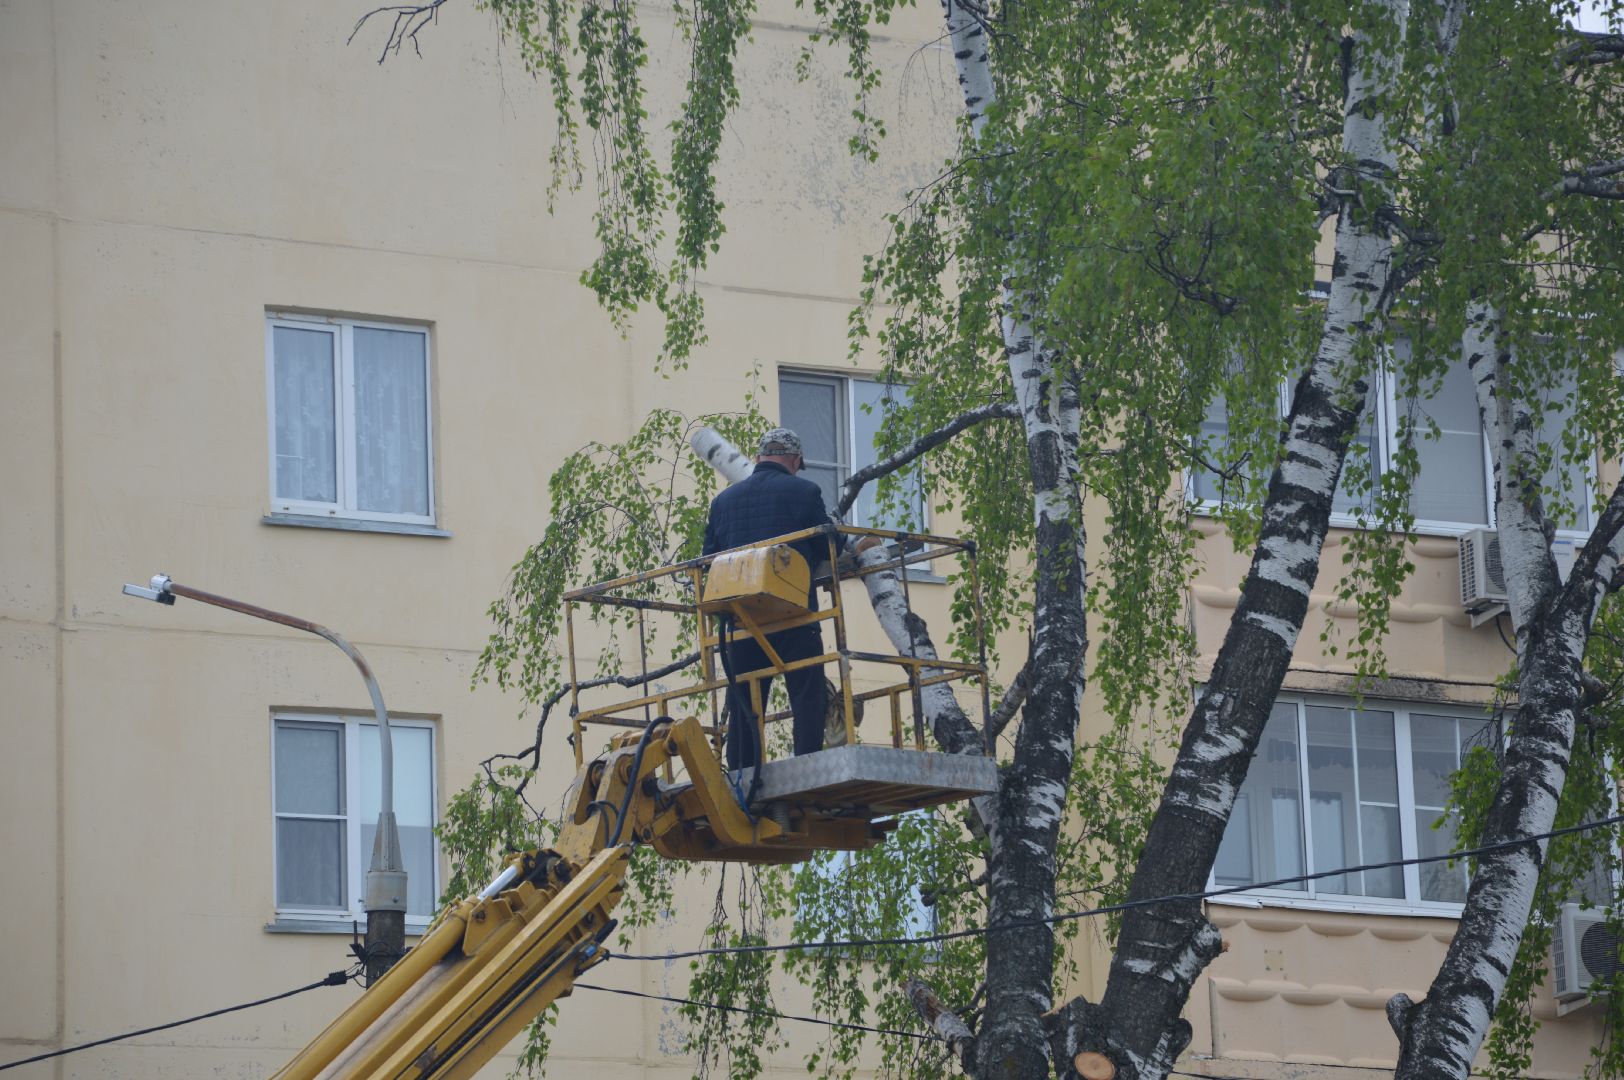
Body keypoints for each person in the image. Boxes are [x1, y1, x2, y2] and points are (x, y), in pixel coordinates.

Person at [702, 427, 878, 770]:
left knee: (745, 704)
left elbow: (708, 560)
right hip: (793, 615)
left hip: (741, 621)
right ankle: (807, 766)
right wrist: (854, 551)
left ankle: (742, 777)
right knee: (806, 693)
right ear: (795, 460)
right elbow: (825, 545)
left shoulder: (723, 502)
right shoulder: (805, 491)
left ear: (758, 458)